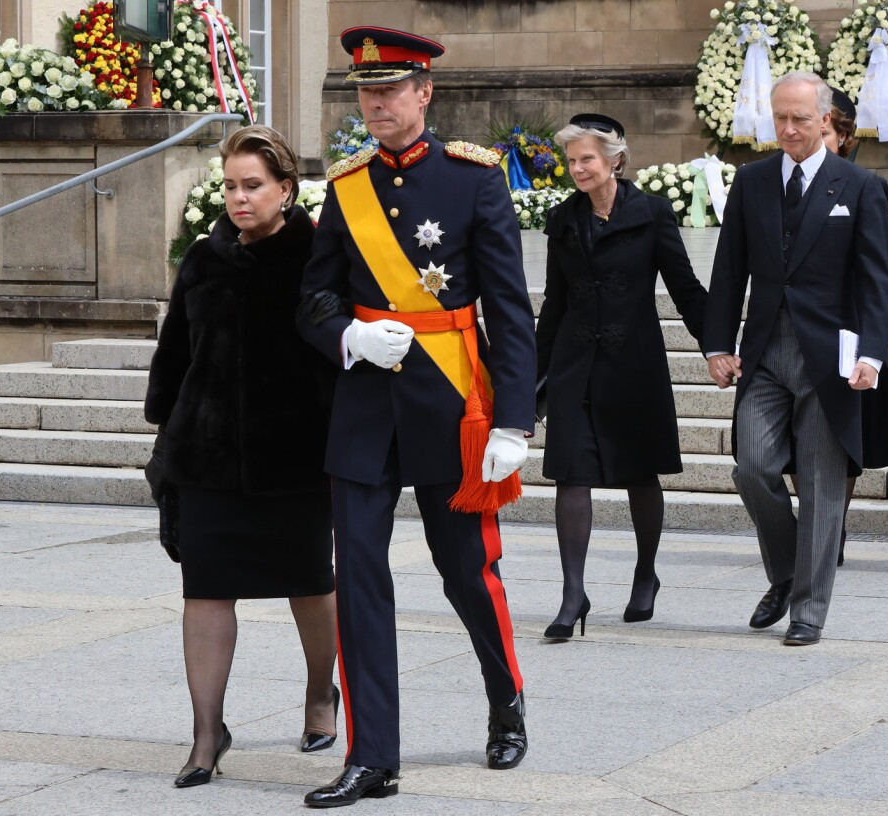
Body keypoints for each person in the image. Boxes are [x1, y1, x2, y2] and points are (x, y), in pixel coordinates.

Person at [296, 26, 536, 808]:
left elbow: (509, 307)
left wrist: (515, 423)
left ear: (425, 93)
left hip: (452, 400)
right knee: (360, 580)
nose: (377, 105)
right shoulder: (346, 186)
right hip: (366, 405)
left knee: (467, 571)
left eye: (391, 91)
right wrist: (347, 334)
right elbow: (315, 297)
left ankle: (505, 697)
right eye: (367, 93)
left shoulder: (475, 180)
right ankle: (374, 757)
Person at [144, 125, 340, 788]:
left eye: (252, 185)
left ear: (286, 188)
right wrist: (165, 438)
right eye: (229, 185)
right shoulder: (204, 259)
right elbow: (174, 357)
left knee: (311, 582)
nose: (238, 197)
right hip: (208, 455)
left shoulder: (317, 255)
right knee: (205, 590)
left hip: (297, 457)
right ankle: (206, 736)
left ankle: (321, 693)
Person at [703, 72, 888, 646]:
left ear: (828, 121)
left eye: (800, 120)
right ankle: (787, 573)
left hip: (830, 361)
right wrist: (718, 344)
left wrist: (872, 355)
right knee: (753, 466)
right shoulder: (752, 182)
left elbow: (875, 279)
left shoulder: (858, 186)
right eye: (779, 118)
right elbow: (729, 268)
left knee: (820, 483)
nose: (787, 129)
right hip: (764, 352)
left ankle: (809, 609)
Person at [535, 113, 706, 639]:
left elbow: (684, 284)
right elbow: (555, 305)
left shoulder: (651, 213)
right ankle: (572, 593)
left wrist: (717, 344)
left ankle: (645, 571)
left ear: (615, 160)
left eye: (587, 159)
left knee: (640, 473)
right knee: (570, 473)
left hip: (634, 364)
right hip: (575, 364)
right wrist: (533, 380)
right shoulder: (563, 220)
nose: (578, 168)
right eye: (572, 160)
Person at [782, 89, 888, 566]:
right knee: (798, 440)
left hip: (852, 330)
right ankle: (811, 519)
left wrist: (870, 343)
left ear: (840, 136)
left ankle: (831, 527)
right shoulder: (784, 184)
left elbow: (876, 267)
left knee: (844, 435)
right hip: (799, 330)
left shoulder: (865, 186)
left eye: (834, 135)